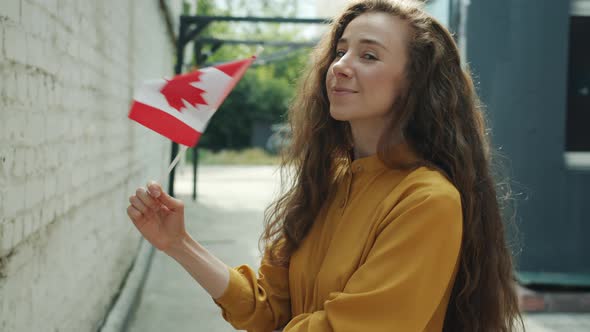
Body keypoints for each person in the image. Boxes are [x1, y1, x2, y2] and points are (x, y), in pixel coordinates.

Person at [126, 0, 523, 331]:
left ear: (416, 83)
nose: (340, 65)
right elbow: (267, 307)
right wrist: (179, 244)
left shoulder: (428, 200)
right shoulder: (330, 180)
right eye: (340, 50)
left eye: (368, 55)